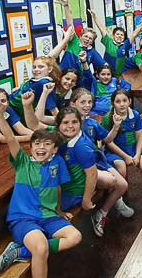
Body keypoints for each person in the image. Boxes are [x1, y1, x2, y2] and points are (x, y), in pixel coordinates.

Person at [0, 114, 82, 278]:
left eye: (47, 144)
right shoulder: (22, 162)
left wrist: (59, 210)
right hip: (23, 219)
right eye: (37, 144)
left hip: (49, 217)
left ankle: (20, 252)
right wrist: (0, 116)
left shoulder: (58, 162)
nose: (41, 147)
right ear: (30, 148)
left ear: (55, 149)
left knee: (75, 236)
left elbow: (58, 187)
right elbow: (10, 138)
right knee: (40, 247)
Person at [21, 93, 127, 239]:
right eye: (65, 123)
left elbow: (92, 174)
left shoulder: (81, 146)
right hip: (63, 183)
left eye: (74, 122)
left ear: (80, 123)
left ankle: (31, 240)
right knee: (29, 201)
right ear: (58, 126)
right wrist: (27, 106)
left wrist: (87, 199)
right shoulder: (58, 134)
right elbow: (34, 125)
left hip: (72, 190)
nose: (70, 126)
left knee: (36, 211)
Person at [101, 89, 142, 207]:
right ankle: (119, 201)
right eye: (118, 101)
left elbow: (139, 137)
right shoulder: (108, 118)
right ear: (113, 103)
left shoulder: (135, 115)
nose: (122, 104)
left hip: (133, 149)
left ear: (130, 101)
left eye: (124, 101)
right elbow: (109, 143)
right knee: (121, 168)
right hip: (116, 151)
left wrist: (137, 155)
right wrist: (125, 157)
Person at [88, 8, 142, 76]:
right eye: (117, 34)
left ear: (124, 38)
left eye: (122, 35)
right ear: (113, 36)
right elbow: (102, 29)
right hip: (108, 74)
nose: (119, 36)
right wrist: (94, 17)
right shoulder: (108, 42)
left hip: (121, 75)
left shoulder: (125, 44)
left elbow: (134, 34)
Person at [0, 88, 34, 158]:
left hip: (9, 145)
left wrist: (34, 135)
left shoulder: (8, 109)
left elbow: (21, 129)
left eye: (3, 101)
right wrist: (28, 138)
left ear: (8, 103)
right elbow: (2, 139)